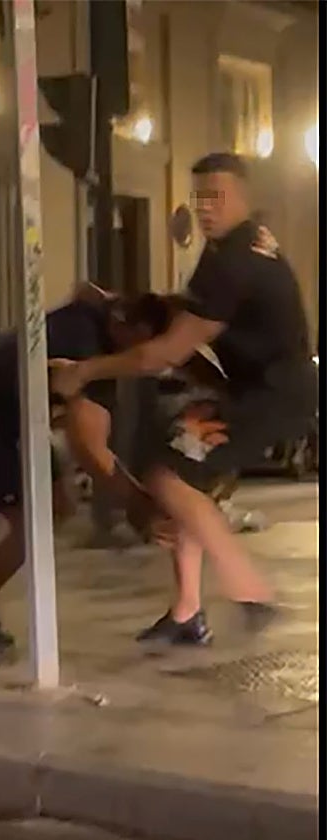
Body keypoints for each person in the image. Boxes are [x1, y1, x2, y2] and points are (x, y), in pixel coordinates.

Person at [50, 152, 316, 644]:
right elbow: (182, 317)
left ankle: (252, 590)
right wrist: (117, 301)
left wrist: (83, 372)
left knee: (167, 472)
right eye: (200, 197)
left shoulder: (232, 263)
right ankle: (186, 612)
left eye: (216, 197)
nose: (206, 208)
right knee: (174, 468)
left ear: (241, 197)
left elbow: (163, 353)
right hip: (259, 391)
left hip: (274, 397)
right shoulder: (236, 247)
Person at [0, 286, 174, 648]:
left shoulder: (101, 329)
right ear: (127, 325)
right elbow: (90, 449)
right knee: (33, 520)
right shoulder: (81, 337)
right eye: (142, 346)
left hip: (7, 420)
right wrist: (141, 504)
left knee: (56, 508)